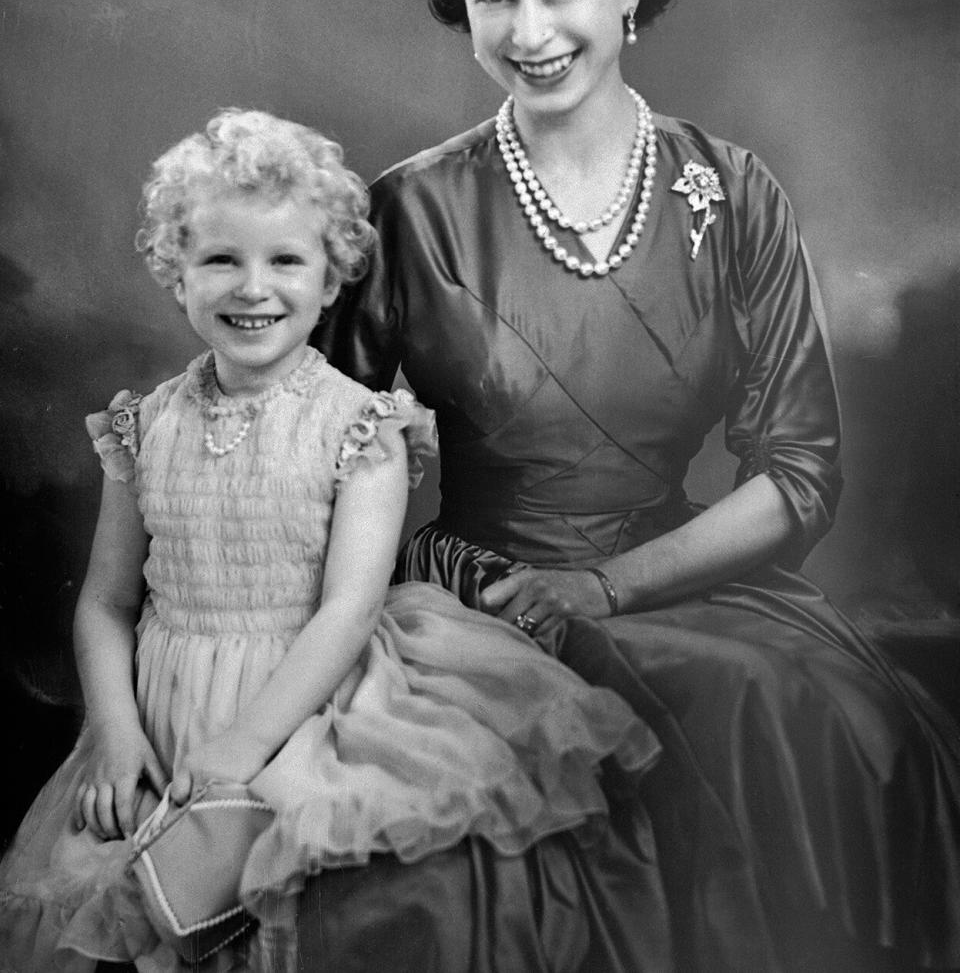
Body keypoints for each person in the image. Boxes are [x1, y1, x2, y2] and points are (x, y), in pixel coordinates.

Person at [316, 0, 960, 972]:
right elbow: (305, 448)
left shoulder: (736, 191)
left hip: (674, 577)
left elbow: (800, 476)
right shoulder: (406, 214)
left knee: (844, 732)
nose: (529, 33)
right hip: (483, 601)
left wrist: (606, 586)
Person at [0, 109, 669, 972]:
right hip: (164, 708)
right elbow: (106, 599)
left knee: (319, 907)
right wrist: (115, 726)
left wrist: (246, 743)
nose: (253, 288)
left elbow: (349, 610)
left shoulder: (362, 428)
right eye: (220, 260)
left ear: (328, 280)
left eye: (286, 261)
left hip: (311, 700)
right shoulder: (144, 425)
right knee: (117, 908)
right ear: (176, 273)